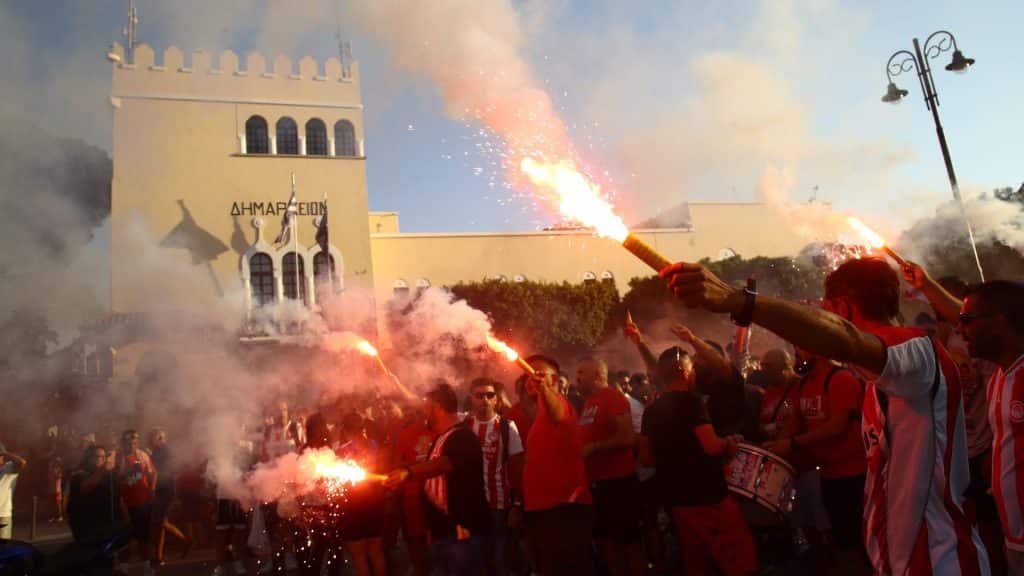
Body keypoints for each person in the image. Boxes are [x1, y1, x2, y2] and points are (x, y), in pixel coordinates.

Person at [661, 256, 989, 574]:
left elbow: (846, 340)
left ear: (843, 309)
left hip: (938, 559)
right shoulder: (883, 376)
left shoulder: (917, 350)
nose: (824, 322)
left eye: (829, 312)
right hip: (905, 558)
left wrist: (739, 301)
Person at [639, 346, 758, 576]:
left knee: (697, 562)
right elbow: (711, 446)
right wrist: (728, 443)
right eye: (692, 368)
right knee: (738, 559)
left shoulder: (651, 410)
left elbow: (646, 459)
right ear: (684, 372)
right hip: (708, 497)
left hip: (678, 500)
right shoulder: (692, 403)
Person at [765, 349, 869, 570]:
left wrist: (793, 444)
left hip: (854, 475)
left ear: (816, 351)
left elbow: (837, 426)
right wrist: (775, 446)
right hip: (828, 474)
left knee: (858, 540)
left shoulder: (840, 379)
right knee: (839, 537)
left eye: (800, 351)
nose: (796, 357)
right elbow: (795, 422)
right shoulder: (804, 385)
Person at [953, 280, 1024, 572]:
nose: (959, 330)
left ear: (998, 322)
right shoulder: (999, 376)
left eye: (967, 320)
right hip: (1015, 536)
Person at [386, 382, 490, 576]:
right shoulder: (441, 438)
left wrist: (408, 472)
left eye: (427, 407)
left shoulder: (462, 436)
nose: (423, 412)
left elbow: (444, 464)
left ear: (438, 408)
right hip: (443, 532)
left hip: (462, 531)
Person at [519, 355, 595, 576]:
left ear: (556, 380)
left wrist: (545, 390)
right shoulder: (538, 418)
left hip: (564, 508)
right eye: (529, 375)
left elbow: (557, 411)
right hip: (544, 510)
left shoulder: (561, 405)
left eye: (540, 375)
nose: (533, 379)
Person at [576, 356, 644, 576]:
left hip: (619, 483)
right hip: (598, 484)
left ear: (598, 376)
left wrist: (593, 447)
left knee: (628, 541)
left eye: (581, 374)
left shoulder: (612, 398)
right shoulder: (588, 403)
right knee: (606, 542)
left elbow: (627, 438)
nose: (576, 379)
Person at [465, 377, 524, 576]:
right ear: (471, 398)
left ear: (496, 399)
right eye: (479, 395)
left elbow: (517, 467)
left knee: (499, 559)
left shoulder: (508, 426)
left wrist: (517, 505)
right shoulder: (463, 425)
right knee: (475, 559)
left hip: (498, 504)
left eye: (489, 395)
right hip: (470, 505)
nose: (485, 400)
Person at [335, 412, 390, 576]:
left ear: (345, 430)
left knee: (359, 556)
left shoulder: (342, 452)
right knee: (376, 552)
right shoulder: (375, 446)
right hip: (376, 503)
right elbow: (384, 474)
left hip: (354, 505)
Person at [67, 444, 127, 545]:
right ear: (89, 458)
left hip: (105, 523)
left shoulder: (107, 475)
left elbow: (118, 498)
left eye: (105, 457)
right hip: (86, 525)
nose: (104, 460)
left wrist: (125, 519)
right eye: (99, 457)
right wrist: (103, 469)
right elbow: (86, 487)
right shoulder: (79, 474)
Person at [117, 429, 157, 575]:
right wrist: (128, 473)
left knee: (144, 537)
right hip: (125, 504)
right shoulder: (118, 457)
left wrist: (152, 489)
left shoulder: (143, 455)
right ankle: (124, 569)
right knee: (125, 539)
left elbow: (153, 473)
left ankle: (146, 567)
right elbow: (115, 480)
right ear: (124, 442)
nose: (132, 444)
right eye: (129, 441)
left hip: (143, 503)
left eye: (135, 441)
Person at [148, 429, 189, 564]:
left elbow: (167, 471)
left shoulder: (166, 451)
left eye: (152, 437)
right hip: (160, 489)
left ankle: (185, 541)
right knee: (160, 523)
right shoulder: (156, 451)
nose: (149, 440)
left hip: (166, 489)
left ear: (159, 438)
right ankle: (159, 557)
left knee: (160, 522)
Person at [0, 443, 27, 540]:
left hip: (3, 514)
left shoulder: (10, 467)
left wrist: (6, 453)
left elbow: (22, 462)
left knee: (4, 547)